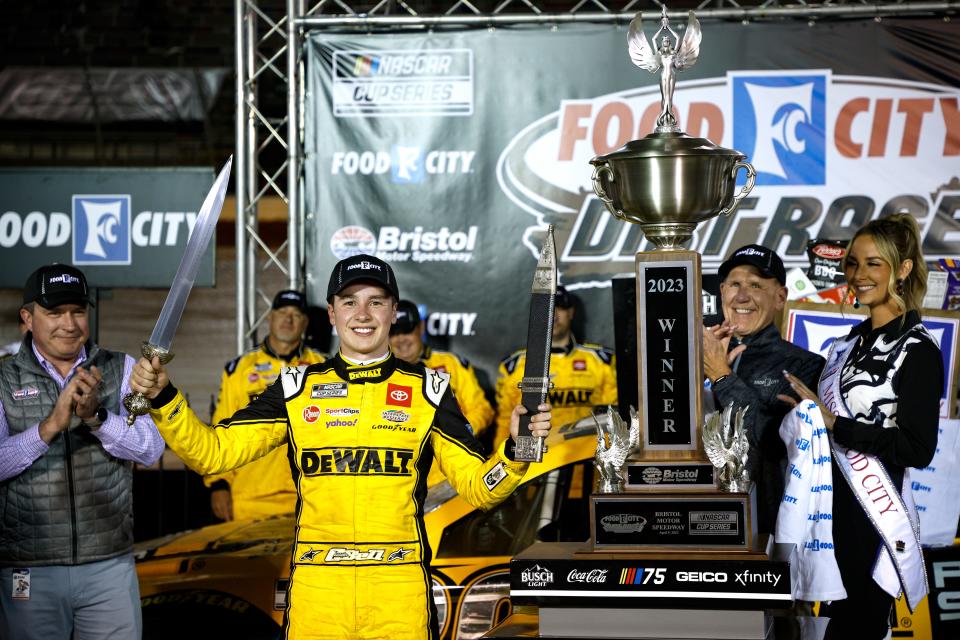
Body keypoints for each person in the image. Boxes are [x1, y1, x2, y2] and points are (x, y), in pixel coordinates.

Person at [130, 253, 552, 640]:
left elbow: (481, 488)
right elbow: (212, 453)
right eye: (350, 302)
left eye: (376, 301)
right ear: (332, 313)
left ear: (392, 311)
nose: (363, 314)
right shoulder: (297, 388)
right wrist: (166, 400)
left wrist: (515, 449)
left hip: (398, 590)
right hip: (319, 590)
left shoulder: (430, 390)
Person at [781, 215, 941, 638]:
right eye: (853, 263)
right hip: (830, 511)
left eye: (874, 264)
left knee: (857, 627)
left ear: (902, 269)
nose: (859, 275)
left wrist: (836, 425)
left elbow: (917, 449)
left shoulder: (919, 350)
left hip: (874, 514)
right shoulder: (847, 344)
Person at [0, 264, 165, 640]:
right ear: (27, 317)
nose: (69, 324)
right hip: (28, 568)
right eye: (54, 313)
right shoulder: (4, 378)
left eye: (77, 311)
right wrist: (50, 427)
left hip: (109, 563)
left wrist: (98, 418)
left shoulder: (120, 367)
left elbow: (152, 450)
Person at [702, 244, 825, 536]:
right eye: (734, 284)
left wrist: (722, 376)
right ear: (722, 291)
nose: (742, 296)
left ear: (780, 297)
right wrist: (692, 379)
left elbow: (772, 441)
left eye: (756, 285)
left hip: (767, 530)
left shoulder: (804, 366)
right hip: (699, 519)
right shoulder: (694, 360)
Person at [205, 289, 325, 521]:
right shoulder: (240, 369)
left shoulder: (323, 367)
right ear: (270, 317)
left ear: (305, 323)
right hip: (250, 498)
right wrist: (218, 484)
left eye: (296, 315)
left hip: (308, 498)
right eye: (282, 312)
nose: (288, 320)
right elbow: (222, 429)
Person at [494, 285, 616, 447]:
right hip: (535, 462)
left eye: (560, 308)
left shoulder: (601, 360)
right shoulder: (514, 365)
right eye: (548, 309)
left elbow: (613, 416)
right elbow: (505, 422)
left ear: (571, 313)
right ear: (537, 315)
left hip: (586, 459)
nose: (554, 315)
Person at [389, 299, 494, 438]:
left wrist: (460, 434)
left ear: (421, 327)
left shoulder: (451, 363)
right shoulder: (380, 370)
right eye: (394, 332)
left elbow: (481, 409)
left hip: (451, 451)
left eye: (407, 330)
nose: (401, 339)